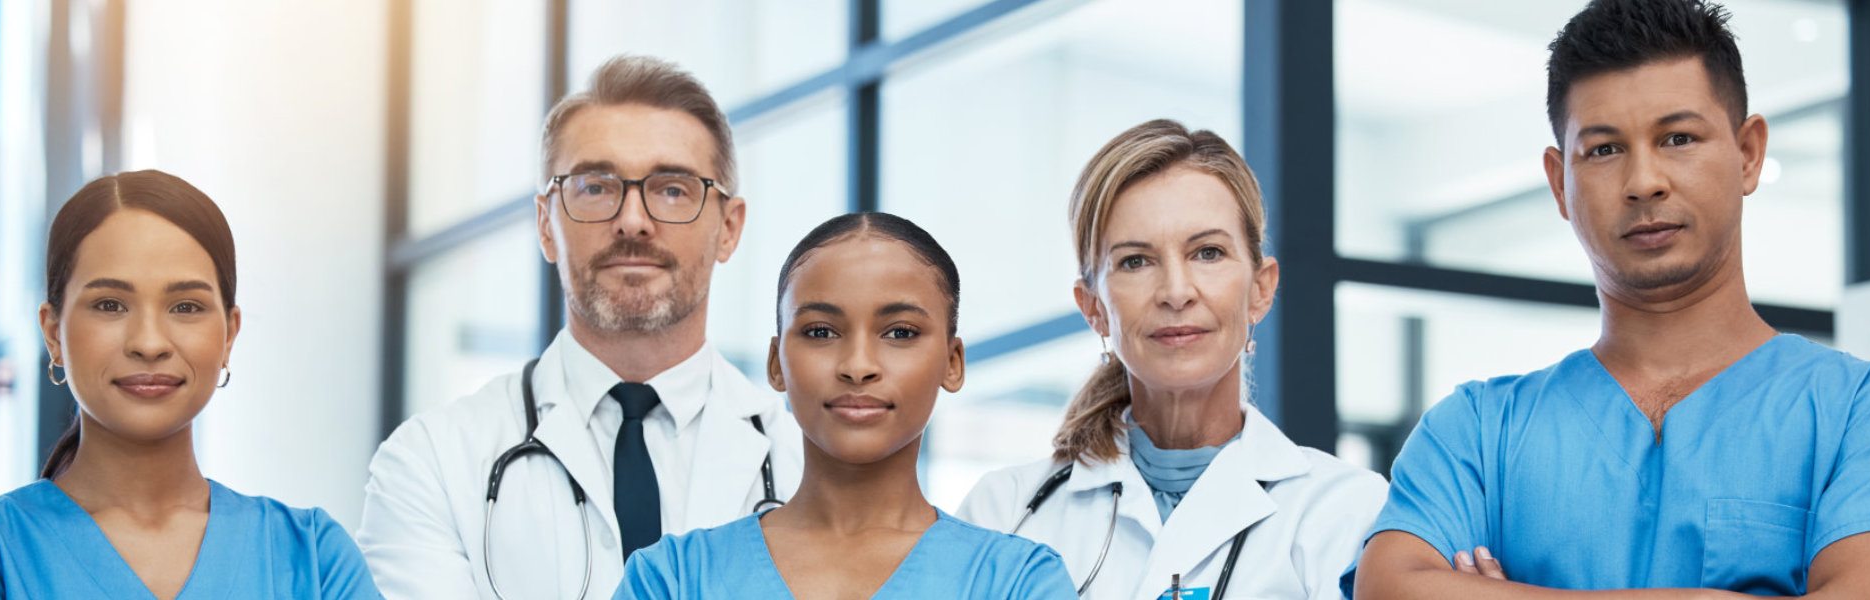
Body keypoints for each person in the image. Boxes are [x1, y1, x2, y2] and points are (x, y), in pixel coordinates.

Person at [1345, 1, 1870, 597]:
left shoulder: (1860, 411)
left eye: (1679, 137)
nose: (1643, 182)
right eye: (1603, 149)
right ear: (1559, 183)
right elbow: (1390, 588)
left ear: (1748, 152)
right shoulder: (1475, 430)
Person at [357, 54, 803, 599]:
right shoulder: (431, 462)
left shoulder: (801, 463)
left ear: (729, 228)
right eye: (596, 187)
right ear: (547, 225)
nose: (634, 220)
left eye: (672, 189)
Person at [958, 119, 1388, 599]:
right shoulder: (1006, 511)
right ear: (1093, 307)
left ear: (1260, 290)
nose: (1176, 292)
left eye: (1208, 252)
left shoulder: (1347, 511)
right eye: (1136, 261)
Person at [0, 170, 381, 599]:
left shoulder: (314, 557)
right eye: (110, 305)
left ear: (229, 336)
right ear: (53, 333)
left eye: (185, 306)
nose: (149, 343)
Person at [615, 212, 1075, 599]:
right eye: (821, 332)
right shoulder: (671, 579)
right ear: (776, 363)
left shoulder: (1018, 582)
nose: (858, 366)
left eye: (900, 333)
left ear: (952, 363)